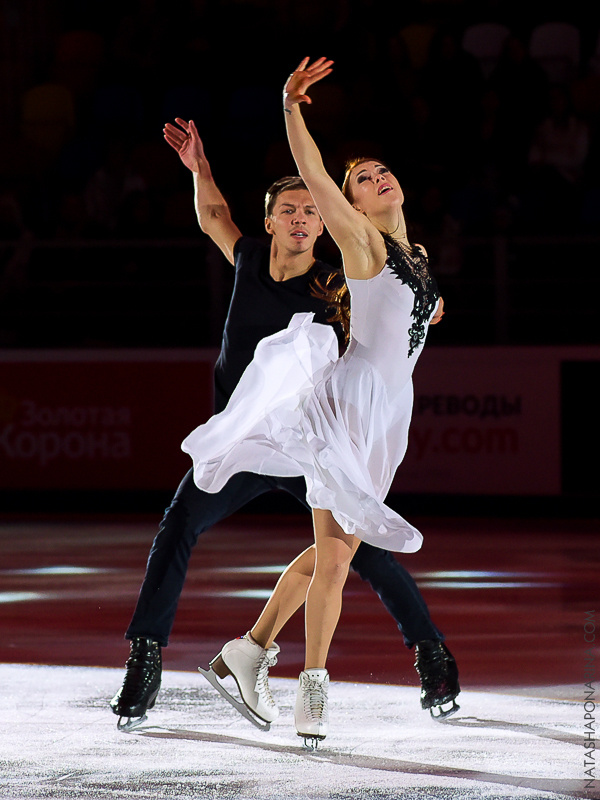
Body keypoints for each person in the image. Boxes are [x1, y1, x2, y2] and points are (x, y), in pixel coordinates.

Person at [109, 114, 459, 733]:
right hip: (245, 443)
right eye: (289, 210)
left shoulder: (336, 282)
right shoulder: (246, 257)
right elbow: (214, 214)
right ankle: (145, 657)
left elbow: (392, 304)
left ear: (326, 221)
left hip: (305, 441)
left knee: (355, 546)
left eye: (311, 210)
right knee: (180, 525)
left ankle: (428, 651)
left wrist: (422, 305)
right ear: (271, 221)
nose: (302, 218)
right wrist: (201, 170)